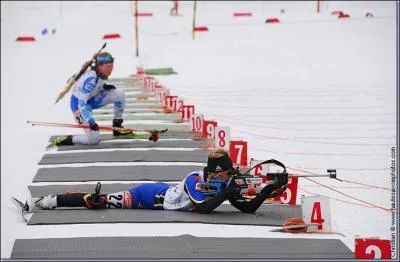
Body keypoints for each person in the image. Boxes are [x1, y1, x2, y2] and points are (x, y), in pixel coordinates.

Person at [27, 149, 288, 214]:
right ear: (215, 172)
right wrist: (228, 192)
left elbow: (248, 208)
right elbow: (203, 207)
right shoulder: (193, 179)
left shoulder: (222, 185)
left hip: (162, 192)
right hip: (146, 195)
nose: (229, 179)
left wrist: (266, 190)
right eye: (225, 174)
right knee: (98, 201)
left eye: (230, 175)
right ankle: (49, 201)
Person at [51, 52, 131, 147]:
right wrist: (91, 121)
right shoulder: (90, 80)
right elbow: (82, 105)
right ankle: (70, 139)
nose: (110, 70)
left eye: (111, 67)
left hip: (92, 99)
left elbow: (95, 84)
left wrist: (103, 87)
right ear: (100, 66)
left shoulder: (99, 72)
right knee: (94, 139)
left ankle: (117, 127)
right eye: (108, 67)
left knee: (119, 94)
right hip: (79, 106)